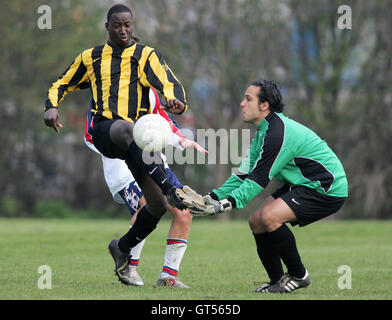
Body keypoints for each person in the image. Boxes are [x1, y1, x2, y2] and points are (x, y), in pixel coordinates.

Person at [43, 4, 203, 285]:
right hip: (108, 133)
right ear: (107, 27)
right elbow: (61, 82)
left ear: (133, 25)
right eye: (117, 25)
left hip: (136, 145)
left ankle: (123, 248)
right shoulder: (91, 57)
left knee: (155, 206)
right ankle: (174, 190)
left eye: (128, 25)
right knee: (128, 130)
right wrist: (51, 106)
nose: (123, 30)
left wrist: (177, 102)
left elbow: (168, 83)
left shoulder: (145, 56)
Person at [181, 80, 348, 293]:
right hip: (304, 184)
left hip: (327, 188)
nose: (242, 104)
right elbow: (243, 174)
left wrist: (225, 204)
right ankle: (277, 281)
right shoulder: (264, 132)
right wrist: (211, 197)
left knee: (269, 218)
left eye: (248, 99)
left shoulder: (278, 134)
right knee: (256, 222)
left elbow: (258, 179)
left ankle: (299, 275)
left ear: (264, 105)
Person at [84, 88, 207, 288]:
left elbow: (161, 122)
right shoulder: (106, 88)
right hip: (121, 165)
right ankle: (129, 267)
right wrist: (123, 145)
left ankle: (168, 277)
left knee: (184, 211)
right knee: (145, 205)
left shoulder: (149, 93)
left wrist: (181, 140)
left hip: (152, 160)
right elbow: (91, 134)